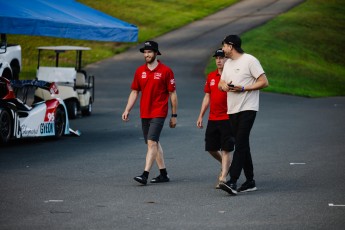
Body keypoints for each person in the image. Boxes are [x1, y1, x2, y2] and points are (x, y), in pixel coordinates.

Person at [218, 35, 269, 195]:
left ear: (231, 46)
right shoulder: (228, 64)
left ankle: (232, 181)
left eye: (224, 46)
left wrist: (243, 88)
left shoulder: (250, 60)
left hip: (248, 107)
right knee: (243, 144)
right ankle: (250, 181)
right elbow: (221, 83)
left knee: (239, 143)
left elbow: (264, 82)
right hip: (232, 109)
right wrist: (223, 85)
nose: (223, 49)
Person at [122, 41, 178, 185]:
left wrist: (174, 115)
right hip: (144, 112)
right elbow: (134, 91)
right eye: (145, 52)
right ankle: (163, 174)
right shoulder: (139, 71)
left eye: (149, 52)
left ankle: (145, 175)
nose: (146, 54)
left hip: (159, 111)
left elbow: (172, 94)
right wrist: (127, 109)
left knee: (152, 142)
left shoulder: (166, 71)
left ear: (156, 53)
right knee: (153, 143)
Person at [196, 49, 234, 188]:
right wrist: (201, 115)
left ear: (227, 60)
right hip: (213, 118)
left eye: (222, 57)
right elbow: (207, 96)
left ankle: (223, 178)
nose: (219, 60)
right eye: (217, 58)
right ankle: (226, 165)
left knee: (226, 149)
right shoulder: (211, 76)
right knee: (211, 148)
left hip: (228, 117)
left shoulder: (232, 76)